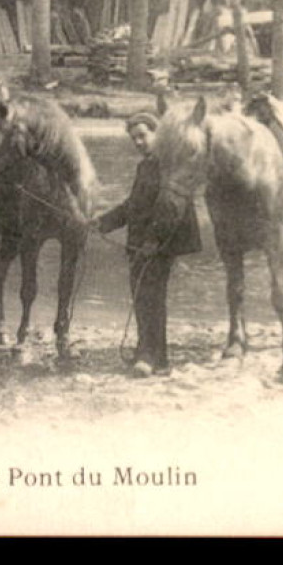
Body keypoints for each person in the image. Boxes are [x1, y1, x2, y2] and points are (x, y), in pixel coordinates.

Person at [95, 111, 201, 377]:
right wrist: (103, 222)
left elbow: (172, 205)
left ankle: (150, 356)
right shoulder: (146, 165)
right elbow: (134, 206)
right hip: (142, 242)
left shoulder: (170, 164)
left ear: (157, 134)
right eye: (134, 139)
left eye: (143, 135)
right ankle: (154, 354)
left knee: (150, 295)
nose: (139, 142)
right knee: (143, 295)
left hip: (160, 242)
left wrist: (153, 241)